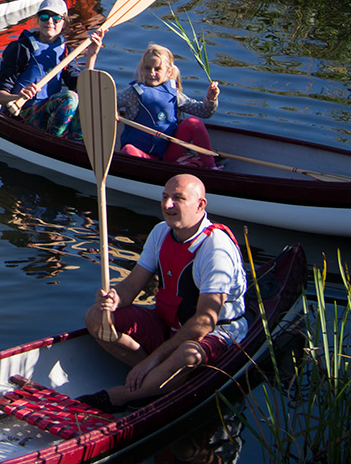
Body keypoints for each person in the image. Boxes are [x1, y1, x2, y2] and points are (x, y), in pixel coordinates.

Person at [81, 173, 247, 413]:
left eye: (178, 198)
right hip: (169, 325)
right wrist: (114, 298)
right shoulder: (161, 232)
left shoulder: (216, 248)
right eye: (165, 197)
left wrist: (153, 359)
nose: (168, 205)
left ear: (200, 205)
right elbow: (130, 287)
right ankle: (154, 382)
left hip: (218, 331)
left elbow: (204, 322)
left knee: (187, 355)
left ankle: (123, 395)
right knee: (95, 317)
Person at [0, 0, 103, 141]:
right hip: (19, 115)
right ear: (38, 20)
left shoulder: (66, 53)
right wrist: (18, 96)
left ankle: (77, 142)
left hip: (47, 115)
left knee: (87, 98)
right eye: (44, 16)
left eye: (56, 18)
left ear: (64, 22)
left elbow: (83, 89)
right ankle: (56, 143)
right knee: (70, 98)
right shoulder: (20, 48)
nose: (50, 21)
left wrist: (91, 56)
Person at [118, 43, 221, 168]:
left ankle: (210, 167)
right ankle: (153, 169)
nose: (151, 73)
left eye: (157, 69)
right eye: (147, 68)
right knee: (128, 150)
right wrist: (113, 109)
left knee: (194, 123)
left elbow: (204, 112)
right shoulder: (133, 93)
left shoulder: (174, 94)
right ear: (141, 69)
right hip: (141, 154)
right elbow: (108, 102)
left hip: (167, 154)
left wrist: (211, 98)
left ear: (169, 72)